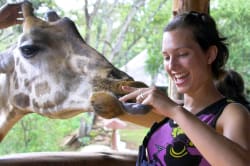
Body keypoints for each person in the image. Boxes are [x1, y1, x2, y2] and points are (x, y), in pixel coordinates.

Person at [119, 11, 250, 166]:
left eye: (182, 54)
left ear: (210, 55)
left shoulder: (231, 113)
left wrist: (175, 111)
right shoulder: (167, 114)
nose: (172, 66)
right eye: (167, 57)